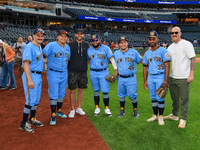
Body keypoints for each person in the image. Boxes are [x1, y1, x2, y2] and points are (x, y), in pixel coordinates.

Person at [164, 26, 196, 128]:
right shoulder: (170, 47)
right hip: (173, 77)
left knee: (184, 99)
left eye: (176, 33)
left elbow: (193, 58)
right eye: (172, 33)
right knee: (175, 99)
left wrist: (191, 73)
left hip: (184, 77)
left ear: (180, 33)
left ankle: (183, 119)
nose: (174, 35)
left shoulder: (186, 44)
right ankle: (174, 115)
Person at [19, 28, 45, 133]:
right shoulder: (29, 47)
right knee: (30, 100)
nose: (40, 37)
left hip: (38, 75)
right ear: (33, 36)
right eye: (38, 35)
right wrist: (29, 80)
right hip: (31, 75)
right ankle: (23, 123)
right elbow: (25, 64)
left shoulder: (39, 46)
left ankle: (32, 119)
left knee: (36, 100)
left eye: (42, 35)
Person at [43, 30, 71, 125]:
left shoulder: (68, 47)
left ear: (67, 38)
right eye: (61, 36)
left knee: (61, 93)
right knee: (54, 94)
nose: (63, 37)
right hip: (53, 73)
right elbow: (42, 55)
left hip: (64, 73)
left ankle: (58, 110)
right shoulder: (51, 45)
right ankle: (53, 114)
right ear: (58, 37)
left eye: (65, 36)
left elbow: (68, 59)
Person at [143, 31, 170, 125]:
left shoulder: (163, 51)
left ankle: (161, 117)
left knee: (160, 97)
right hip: (151, 77)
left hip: (160, 76)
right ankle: (155, 115)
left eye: (153, 39)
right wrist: (145, 81)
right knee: (153, 97)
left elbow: (167, 66)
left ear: (157, 39)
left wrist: (165, 80)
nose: (151, 41)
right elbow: (145, 67)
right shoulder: (147, 53)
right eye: (150, 39)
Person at [87, 34, 118, 117]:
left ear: (99, 40)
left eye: (96, 40)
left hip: (103, 72)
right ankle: (97, 108)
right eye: (93, 40)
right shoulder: (89, 50)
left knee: (105, 91)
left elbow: (112, 59)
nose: (94, 42)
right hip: (93, 72)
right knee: (96, 91)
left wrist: (116, 71)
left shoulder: (106, 48)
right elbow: (86, 60)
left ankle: (107, 109)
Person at [113, 36, 142, 118]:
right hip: (121, 78)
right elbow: (111, 61)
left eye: (124, 42)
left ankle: (135, 110)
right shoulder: (116, 53)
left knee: (132, 94)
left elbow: (141, 61)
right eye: (121, 42)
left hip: (131, 77)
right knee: (121, 95)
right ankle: (122, 110)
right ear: (118, 44)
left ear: (127, 43)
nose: (123, 44)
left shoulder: (134, 52)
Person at [67, 29, 89, 118]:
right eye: (78, 33)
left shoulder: (86, 44)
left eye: (81, 34)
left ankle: (79, 107)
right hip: (72, 71)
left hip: (83, 71)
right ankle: (72, 109)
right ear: (75, 34)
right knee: (72, 91)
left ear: (83, 35)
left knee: (81, 90)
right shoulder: (70, 44)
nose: (79, 35)